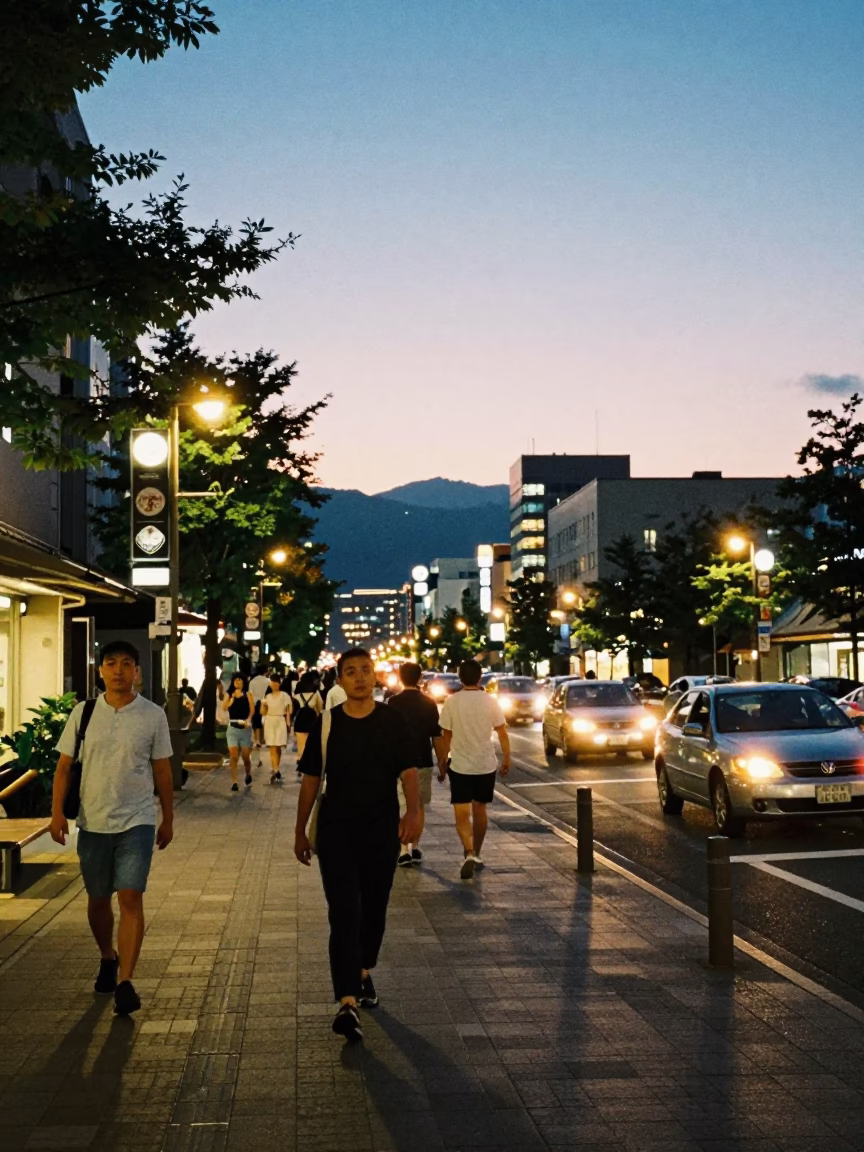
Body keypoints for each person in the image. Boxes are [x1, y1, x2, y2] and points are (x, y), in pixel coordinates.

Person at [294, 648, 420, 1043]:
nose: (361, 677)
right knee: (343, 912)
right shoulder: (327, 723)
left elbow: (409, 770)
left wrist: (413, 812)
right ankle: (346, 1001)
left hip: (381, 828)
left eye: (366, 670)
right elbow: (312, 780)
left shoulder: (392, 720)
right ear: (341, 681)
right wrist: (300, 830)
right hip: (337, 831)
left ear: (375, 677)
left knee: (375, 909)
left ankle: (364, 968)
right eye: (351, 672)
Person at [51, 640, 174, 1016]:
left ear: (137, 671)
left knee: (130, 897)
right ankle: (108, 955)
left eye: (126, 664)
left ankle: (126, 981)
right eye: (110, 663)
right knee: (98, 900)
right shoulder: (83, 713)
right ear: (100, 670)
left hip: (137, 819)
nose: (118, 670)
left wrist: (168, 816)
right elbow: (64, 766)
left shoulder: (152, 715)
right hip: (93, 820)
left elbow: (163, 770)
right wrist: (57, 813)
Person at [438, 659, 510, 880]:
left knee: (461, 814)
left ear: (460, 677)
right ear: (480, 677)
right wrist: (506, 757)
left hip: (460, 765)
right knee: (480, 810)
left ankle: (468, 852)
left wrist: (442, 763)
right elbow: (501, 731)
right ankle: (477, 853)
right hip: (485, 764)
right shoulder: (490, 701)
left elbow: (446, 735)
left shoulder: (452, 702)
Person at [387, 662, 445, 867]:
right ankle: (416, 846)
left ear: (401, 678)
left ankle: (403, 850)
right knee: (419, 805)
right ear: (419, 678)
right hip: (423, 760)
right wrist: (443, 762)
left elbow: (386, 736)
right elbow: (437, 736)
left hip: (398, 763)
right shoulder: (428, 703)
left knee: (402, 804)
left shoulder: (392, 702)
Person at [220, 674, 255, 791]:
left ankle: (248, 774)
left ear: (244, 681)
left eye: (240, 679)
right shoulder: (229, 694)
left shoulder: (248, 694)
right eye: (235, 680)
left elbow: (252, 709)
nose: (238, 682)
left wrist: (249, 719)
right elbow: (224, 707)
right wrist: (231, 700)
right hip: (232, 728)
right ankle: (234, 781)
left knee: (245, 756)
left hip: (245, 728)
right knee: (233, 755)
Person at [261, 672, 291, 782]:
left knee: (278, 747)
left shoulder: (285, 695)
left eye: (277, 682)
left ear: (280, 683)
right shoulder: (267, 697)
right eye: (273, 682)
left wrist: (289, 723)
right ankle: (275, 769)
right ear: (270, 684)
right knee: (272, 746)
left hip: (280, 721)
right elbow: (263, 712)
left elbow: (289, 711)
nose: (275, 684)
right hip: (270, 721)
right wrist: (263, 707)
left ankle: (276, 768)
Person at [292, 672, 323, 765]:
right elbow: (320, 709)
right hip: (312, 722)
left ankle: (301, 759)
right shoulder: (315, 695)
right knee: (311, 743)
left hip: (299, 722)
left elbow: (293, 712)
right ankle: (309, 761)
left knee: (301, 744)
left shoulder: (296, 697)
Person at [248, 665, 270, 749]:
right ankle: (263, 739)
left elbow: (250, 694)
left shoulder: (252, 681)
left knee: (256, 722)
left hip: (254, 703)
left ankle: (256, 740)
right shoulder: (268, 681)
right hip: (265, 703)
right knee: (264, 722)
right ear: (266, 671)